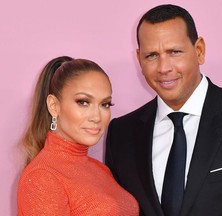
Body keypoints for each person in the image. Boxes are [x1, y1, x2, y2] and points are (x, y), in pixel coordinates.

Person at [105, 4, 222, 216]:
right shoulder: (121, 134)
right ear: (139, 60)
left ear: (199, 50)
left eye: (174, 52)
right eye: (152, 56)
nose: (164, 68)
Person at [17, 56, 139, 215]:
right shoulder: (42, 176)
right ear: (54, 106)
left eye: (105, 104)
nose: (96, 117)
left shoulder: (101, 169)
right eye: (83, 102)